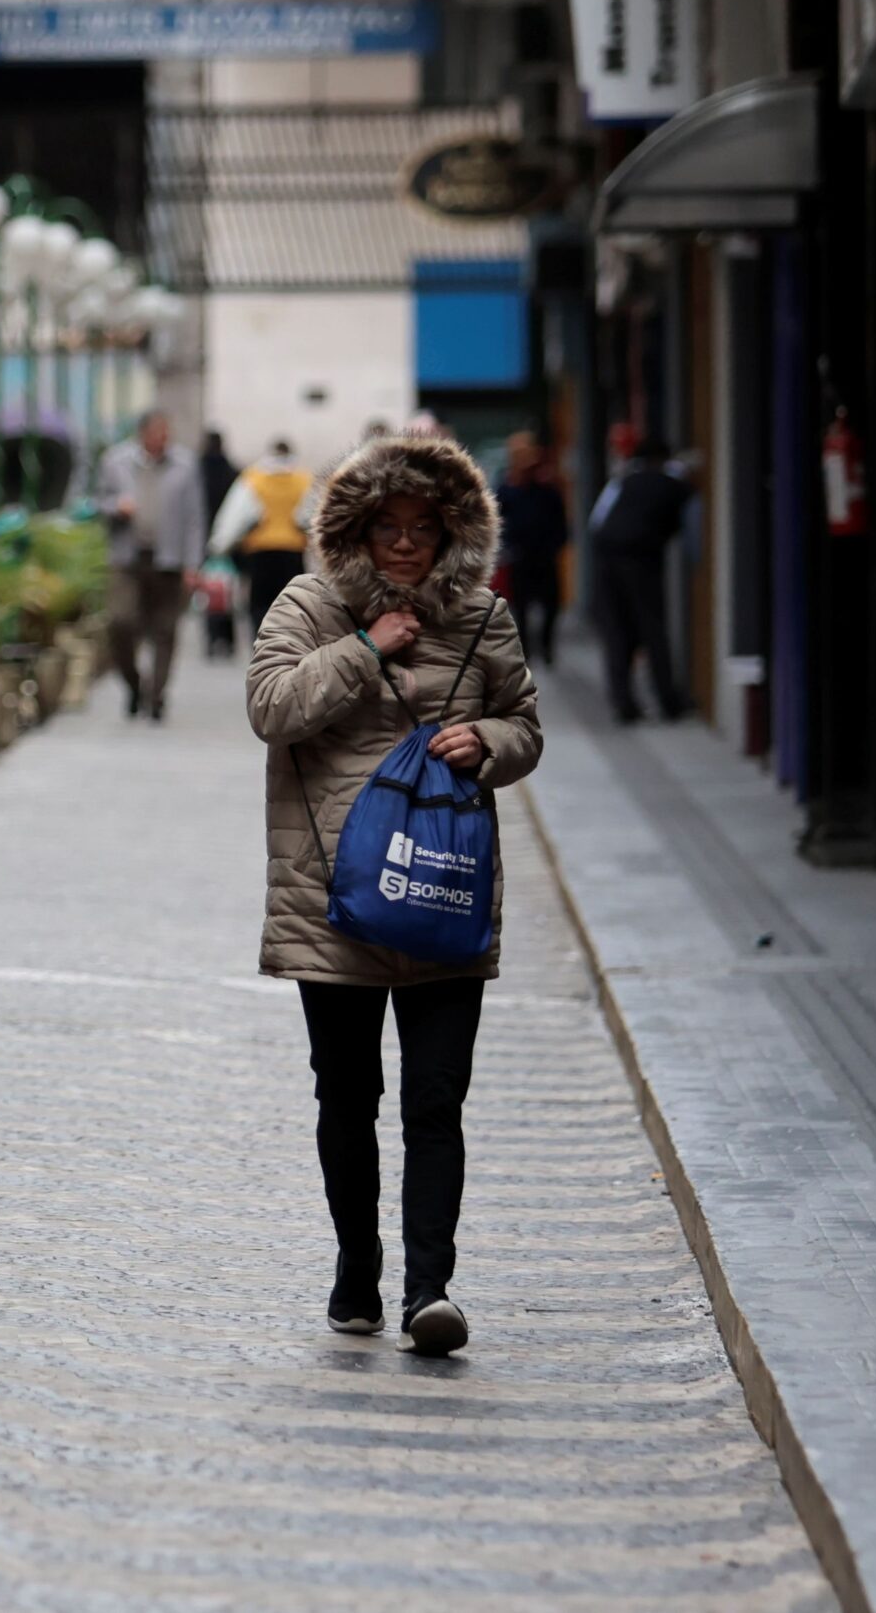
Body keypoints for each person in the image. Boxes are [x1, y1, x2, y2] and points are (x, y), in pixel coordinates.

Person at [244, 435, 544, 1357]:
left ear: (453, 532)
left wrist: (486, 741)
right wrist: (365, 651)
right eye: (389, 528)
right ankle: (355, 1268)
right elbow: (270, 708)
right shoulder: (308, 604)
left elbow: (527, 725)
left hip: (444, 891)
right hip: (329, 897)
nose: (407, 545)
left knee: (436, 1098)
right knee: (347, 1093)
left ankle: (429, 1288)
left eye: (425, 528)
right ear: (357, 532)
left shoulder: (485, 616)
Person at [93, 410, 207, 721]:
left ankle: (156, 696)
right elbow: (96, 502)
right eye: (158, 432)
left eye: (166, 433)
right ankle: (134, 685)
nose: (164, 438)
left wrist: (193, 563)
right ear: (142, 434)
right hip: (127, 558)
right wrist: (116, 506)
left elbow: (194, 518)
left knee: (165, 629)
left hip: (168, 559)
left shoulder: (184, 464)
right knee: (120, 622)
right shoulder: (115, 461)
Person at [588, 429, 689, 723]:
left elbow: (597, 521)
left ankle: (624, 704)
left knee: (617, 633)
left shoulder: (622, 483)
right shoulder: (674, 486)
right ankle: (669, 702)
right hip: (642, 562)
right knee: (653, 630)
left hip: (607, 561)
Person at [207, 438, 315, 642]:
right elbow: (308, 514)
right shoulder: (303, 478)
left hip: (260, 551)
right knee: (292, 600)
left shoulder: (253, 477)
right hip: (292, 551)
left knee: (260, 603)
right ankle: (290, 640)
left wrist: (218, 545)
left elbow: (236, 515)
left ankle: (261, 640)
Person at [495, 428, 569, 665]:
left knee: (551, 605)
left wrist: (556, 544)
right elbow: (497, 522)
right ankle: (526, 649)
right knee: (521, 607)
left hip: (544, 555)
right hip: (519, 556)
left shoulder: (547, 489)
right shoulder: (506, 489)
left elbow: (560, 521)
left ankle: (546, 646)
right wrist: (506, 548)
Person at [197, 430, 242, 659]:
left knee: (209, 591)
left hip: (203, 538)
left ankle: (212, 637)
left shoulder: (197, 471)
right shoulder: (233, 471)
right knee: (228, 591)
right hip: (229, 539)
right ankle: (228, 639)